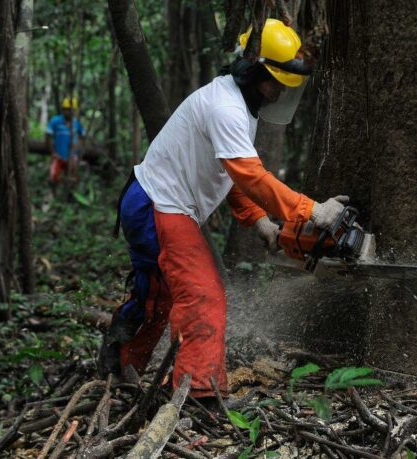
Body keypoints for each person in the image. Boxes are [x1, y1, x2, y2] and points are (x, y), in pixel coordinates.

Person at [98, 19, 349, 402]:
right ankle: (198, 394)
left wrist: (260, 222)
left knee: (160, 296)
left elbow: (230, 175)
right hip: (157, 204)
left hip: (156, 201)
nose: (281, 90)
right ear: (255, 71)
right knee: (202, 295)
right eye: (276, 81)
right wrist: (311, 211)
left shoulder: (237, 105)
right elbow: (250, 177)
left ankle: (120, 364)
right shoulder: (226, 108)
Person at [46, 97, 84, 188]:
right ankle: (53, 193)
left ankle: (69, 193)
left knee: (72, 178)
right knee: (53, 178)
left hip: (72, 156)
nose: (70, 112)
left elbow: (82, 137)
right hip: (58, 156)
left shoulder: (76, 123)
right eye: (67, 109)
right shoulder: (55, 121)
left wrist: (77, 148)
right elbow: (48, 136)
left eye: (72, 110)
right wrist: (52, 152)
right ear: (63, 110)